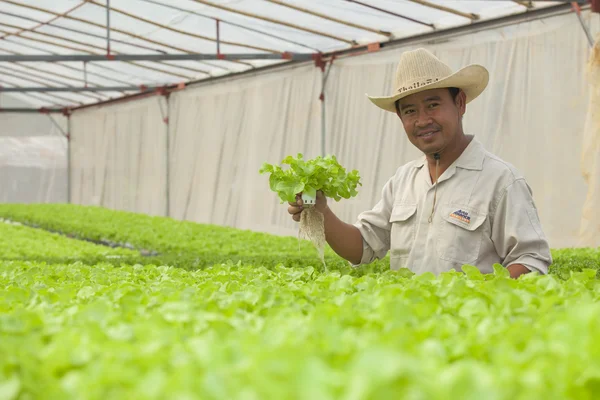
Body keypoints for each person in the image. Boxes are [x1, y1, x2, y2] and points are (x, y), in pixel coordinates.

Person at [288, 48, 552, 279]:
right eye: (410, 111)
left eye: (433, 104)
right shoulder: (403, 180)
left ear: (459, 103)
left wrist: (480, 296)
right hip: (409, 330)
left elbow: (530, 260)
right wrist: (321, 212)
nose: (422, 120)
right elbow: (363, 247)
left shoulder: (501, 180)